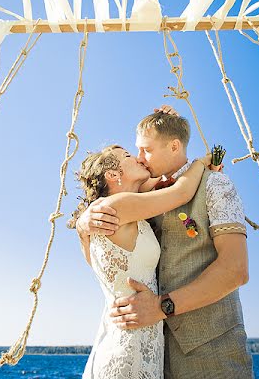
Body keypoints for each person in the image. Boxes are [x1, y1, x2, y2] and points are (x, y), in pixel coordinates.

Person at [76, 109, 253, 379]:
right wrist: (83, 223)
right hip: (153, 354)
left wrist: (162, 307)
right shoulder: (141, 198)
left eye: (145, 150)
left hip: (212, 354)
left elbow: (235, 270)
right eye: (136, 151)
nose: (139, 158)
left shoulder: (215, 184)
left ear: (173, 146)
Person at [69, 145, 217, 379]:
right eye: (128, 156)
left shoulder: (110, 214)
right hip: (127, 351)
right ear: (113, 175)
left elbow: (161, 180)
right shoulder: (117, 207)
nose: (138, 158)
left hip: (132, 341)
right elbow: (180, 192)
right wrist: (201, 162)